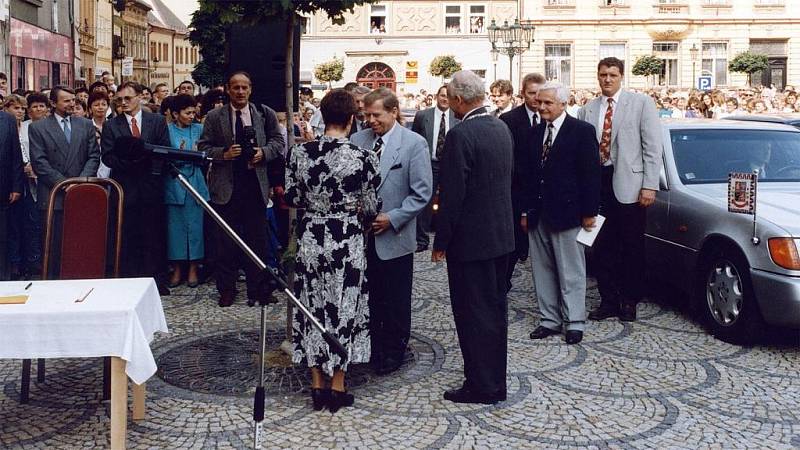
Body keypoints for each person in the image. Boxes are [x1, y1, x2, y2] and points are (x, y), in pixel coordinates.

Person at [286, 88, 380, 413]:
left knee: (312, 305)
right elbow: (370, 206)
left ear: (323, 118)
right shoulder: (365, 158)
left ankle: (316, 384)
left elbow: (292, 198)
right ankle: (338, 384)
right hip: (347, 240)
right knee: (345, 306)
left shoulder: (299, 154)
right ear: (352, 119)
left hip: (312, 237)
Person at [432, 70, 514, 405]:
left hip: (471, 243)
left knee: (472, 313)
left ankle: (481, 385)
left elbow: (453, 195)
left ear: (459, 99)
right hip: (500, 237)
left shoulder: (461, 134)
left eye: (450, 97)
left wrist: (441, 242)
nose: (449, 103)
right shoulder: (500, 127)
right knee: (494, 312)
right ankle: (494, 380)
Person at [350, 88, 432, 375]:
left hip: (395, 236)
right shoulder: (357, 140)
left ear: (394, 111)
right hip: (361, 236)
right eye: (367, 115)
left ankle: (395, 350)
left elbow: (422, 193)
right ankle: (370, 346)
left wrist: (393, 218)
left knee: (395, 298)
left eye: (377, 115)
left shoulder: (413, 143)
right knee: (368, 295)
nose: (371, 120)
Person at [577, 57, 663, 322]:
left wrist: (649, 185)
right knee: (602, 246)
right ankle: (608, 300)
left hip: (630, 184)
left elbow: (652, 147)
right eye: (603, 75)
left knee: (631, 246)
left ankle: (629, 300)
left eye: (612, 75)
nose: (607, 79)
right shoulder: (588, 109)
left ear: (621, 76)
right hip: (598, 183)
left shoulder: (640, 104)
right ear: (598, 76)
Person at [197, 71, 285, 307]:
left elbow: (278, 141)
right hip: (226, 187)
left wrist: (262, 153)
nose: (240, 92)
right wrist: (223, 154)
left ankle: (259, 289)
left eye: (244, 87)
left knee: (257, 241)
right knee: (225, 242)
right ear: (228, 89)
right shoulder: (215, 116)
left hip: (255, 185)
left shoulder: (264, 114)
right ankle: (226, 288)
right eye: (235, 87)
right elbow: (203, 147)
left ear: (250, 89)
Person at [522, 82, 600, 345]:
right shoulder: (534, 134)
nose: (541, 106)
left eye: (547, 103)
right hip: (538, 214)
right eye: (539, 102)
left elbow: (591, 175)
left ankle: (574, 321)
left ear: (563, 104)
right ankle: (549, 320)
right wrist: (525, 211)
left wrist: (590, 212)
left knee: (571, 270)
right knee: (542, 270)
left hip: (568, 214)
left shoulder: (581, 131)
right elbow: (527, 177)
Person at [101, 81, 171, 294]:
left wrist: (146, 163)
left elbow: (164, 149)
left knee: (154, 233)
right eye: (119, 99)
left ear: (140, 97)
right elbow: (108, 155)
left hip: (151, 185)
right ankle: (130, 279)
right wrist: (132, 163)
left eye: (128, 98)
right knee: (128, 234)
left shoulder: (157, 121)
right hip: (126, 187)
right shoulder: (111, 125)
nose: (123, 103)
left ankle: (157, 280)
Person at [29, 86, 101, 276]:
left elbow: (93, 156)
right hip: (55, 195)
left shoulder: (84, 124)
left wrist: (80, 182)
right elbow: (39, 162)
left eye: (73, 100)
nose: (72, 104)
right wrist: (65, 184)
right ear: (53, 103)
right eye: (66, 100)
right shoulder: (38, 128)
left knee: (81, 244)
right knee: (55, 246)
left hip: (83, 192)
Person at [500, 72, 545, 293]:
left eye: (539, 93)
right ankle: (502, 283)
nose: (536, 98)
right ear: (522, 93)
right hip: (516, 190)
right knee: (513, 242)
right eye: (531, 93)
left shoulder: (550, 118)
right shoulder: (509, 120)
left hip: (542, 191)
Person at [164, 94, 209, 288]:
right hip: (175, 182)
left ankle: (193, 268)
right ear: (175, 114)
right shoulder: (167, 131)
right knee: (175, 229)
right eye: (187, 112)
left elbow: (205, 152)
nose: (191, 116)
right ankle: (177, 268)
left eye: (193, 112)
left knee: (196, 227)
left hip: (196, 181)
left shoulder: (199, 129)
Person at [411, 84, 460, 253]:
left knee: (449, 202)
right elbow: (415, 139)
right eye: (442, 95)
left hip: (451, 165)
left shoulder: (457, 116)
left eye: (449, 96)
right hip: (429, 164)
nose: (445, 99)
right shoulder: (423, 115)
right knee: (425, 201)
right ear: (436, 96)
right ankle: (421, 239)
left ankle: (447, 239)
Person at [0, 110, 25, 280]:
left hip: (4, 189)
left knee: (3, 238)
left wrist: (16, 186)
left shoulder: (7, 119)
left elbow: (16, 155)